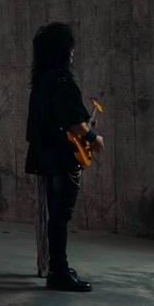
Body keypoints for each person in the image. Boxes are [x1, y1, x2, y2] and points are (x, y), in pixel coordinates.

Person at [25, 22, 104, 292]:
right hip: (63, 157)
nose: (73, 53)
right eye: (70, 48)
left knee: (55, 215)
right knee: (60, 216)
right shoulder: (62, 82)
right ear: (62, 50)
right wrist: (93, 138)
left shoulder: (41, 82)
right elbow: (72, 121)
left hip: (47, 156)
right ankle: (58, 272)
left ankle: (57, 267)